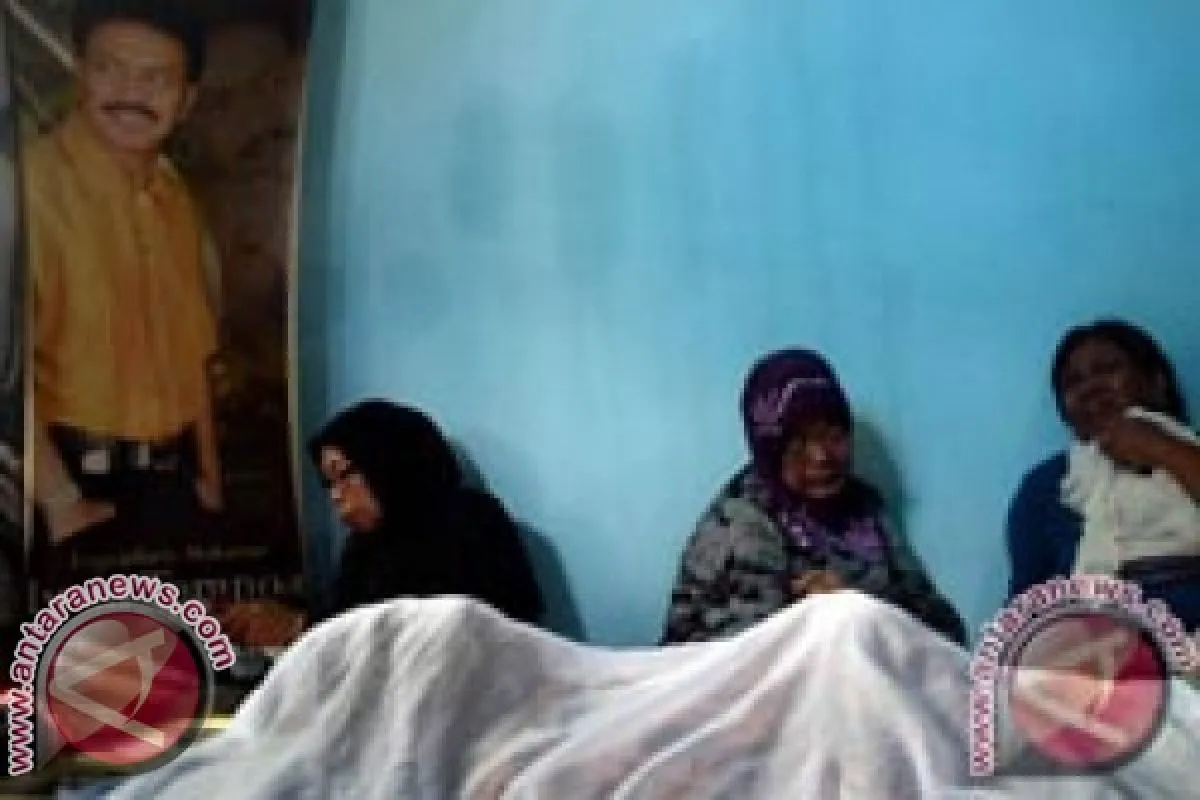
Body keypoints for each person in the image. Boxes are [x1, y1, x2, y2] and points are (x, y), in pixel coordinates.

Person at [23, 0, 221, 585]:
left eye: (155, 78)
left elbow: (194, 357)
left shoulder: (174, 196)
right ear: (80, 73)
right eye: (111, 69)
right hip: (70, 496)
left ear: (187, 100)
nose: (131, 93)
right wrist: (60, 501)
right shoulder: (27, 193)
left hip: (172, 490)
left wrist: (209, 483)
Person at [662, 348, 966, 646]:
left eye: (834, 435)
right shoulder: (745, 521)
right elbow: (760, 655)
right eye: (800, 440)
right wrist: (834, 613)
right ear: (769, 448)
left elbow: (947, 631)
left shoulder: (865, 509)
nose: (822, 456)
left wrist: (855, 601)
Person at [221, 400, 545, 646]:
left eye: (344, 475)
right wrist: (272, 615)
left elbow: (437, 635)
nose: (335, 495)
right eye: (328, 483)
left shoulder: (469, 522)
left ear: (386, 463)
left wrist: (299, 627)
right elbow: (345, 612)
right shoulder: (367, 544)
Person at [1007, 318, 1200, 627]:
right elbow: (1025, 610)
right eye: (1073, 382)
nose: (1089, 388)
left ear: (1156, 382)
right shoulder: (1045, 488)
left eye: (1108, 369)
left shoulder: (1190, 449)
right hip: (1098, 644)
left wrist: (1161, 448)